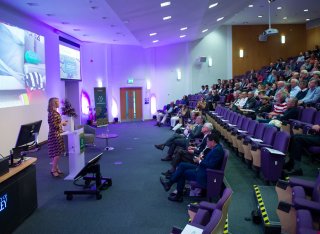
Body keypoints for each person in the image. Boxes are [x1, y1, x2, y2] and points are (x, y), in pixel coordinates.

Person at [159, 132, 224, 202]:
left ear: (213, 141)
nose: (207, 143)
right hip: (201, 168)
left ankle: (177, 193)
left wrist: (199, 161)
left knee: (182, 173)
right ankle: (169, 184)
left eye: (208, 141)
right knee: (182, 165)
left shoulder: (217, 150)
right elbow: (209, 161)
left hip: (205, 174)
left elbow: (211, 165)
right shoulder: (216, 148)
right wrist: (200, 160)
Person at [47, 97, 68, 177]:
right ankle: (53, 169)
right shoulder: (52, 113)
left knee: (56, 153)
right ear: (54, 103)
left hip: (57, 134)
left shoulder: (55, 112)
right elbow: (54, 126)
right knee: (57, 153)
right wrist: (62, 123)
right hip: (54, 135)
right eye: (58, 102)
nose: (59, 103)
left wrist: (62, 125)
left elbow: (57, 125)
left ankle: (56, 168)